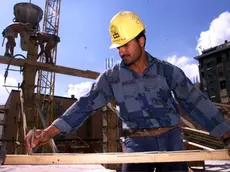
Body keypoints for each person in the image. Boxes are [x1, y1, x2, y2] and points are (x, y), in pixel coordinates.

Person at [25, 11, 230, 172]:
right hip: (136, 143)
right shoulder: (111, 78)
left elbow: (195, 101)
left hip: (171, 140)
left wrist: (226, 133)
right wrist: (48, 132)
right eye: (118, 46)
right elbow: (84, 106)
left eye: (125, 44)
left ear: (141, 41)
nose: (121, 51)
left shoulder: (167, 71)